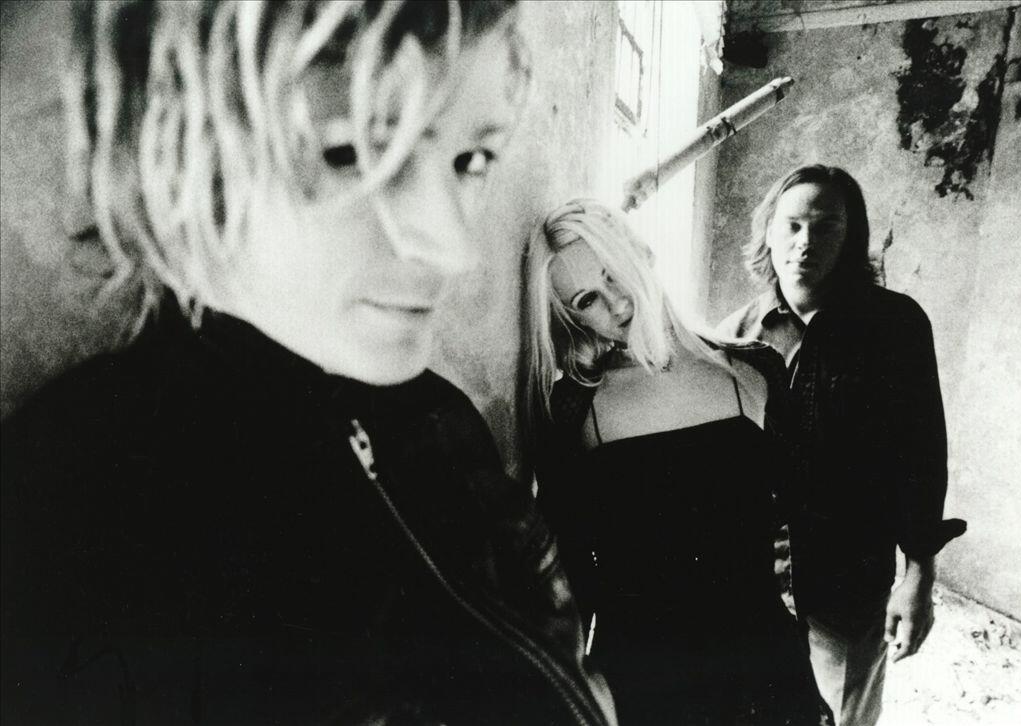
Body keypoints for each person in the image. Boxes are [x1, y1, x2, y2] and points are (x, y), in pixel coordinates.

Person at [0, 2, 616, 724]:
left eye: (470, 160)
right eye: (350, 152)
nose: (455, 247)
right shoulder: (73, 511)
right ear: (179, 148)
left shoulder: (437, 417)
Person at [525, 199, 831, 726]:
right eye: (587, 299)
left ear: (642, 252)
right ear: (570, 318)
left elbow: (804, 520)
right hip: (647, 684)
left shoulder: (754, 369)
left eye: (613, 273)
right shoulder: (573, 410)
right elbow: (572, 584)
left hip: (762, 669)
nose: (616, 303)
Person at [717, 165, 967, 726]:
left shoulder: (896, 326)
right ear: (768, 231)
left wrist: (918, 576)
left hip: (849, 583)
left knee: (845, 715)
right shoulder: (734, 337)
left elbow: (922, 457)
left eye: (826, 226)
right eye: (793, 225)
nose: (805, 242)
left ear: (851, 236)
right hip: (754, 584)